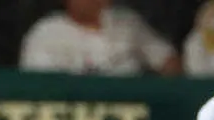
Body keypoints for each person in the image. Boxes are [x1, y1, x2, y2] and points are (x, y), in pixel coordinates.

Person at [20, 0, 181, 76]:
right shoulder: (45, 34)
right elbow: (40, 90)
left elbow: (168, 60)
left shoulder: (126, 22)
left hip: (134, 114)